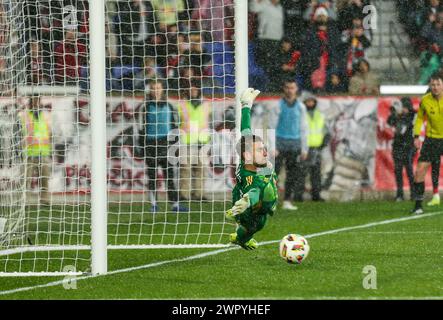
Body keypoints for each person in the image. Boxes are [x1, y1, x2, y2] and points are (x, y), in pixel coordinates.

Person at [225, 88, 278, 250]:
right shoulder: (252, 176)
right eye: (259, 150)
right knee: (254, 227)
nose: (265, 151)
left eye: (264, 147)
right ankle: (241, 238)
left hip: (243, 196)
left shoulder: (250, 161)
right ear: (248, 156)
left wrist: (246, 105)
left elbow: (246, 129)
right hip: (251, 212)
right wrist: (248, 201)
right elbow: (254, 190)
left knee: (268, 184)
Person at [139, 79, 188, 213]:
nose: (156, 91)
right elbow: (140, 128)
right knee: (152, 176)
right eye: (153, 88)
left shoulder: (169, 106)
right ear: (150, 90)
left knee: (170, 176)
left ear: (162, 89)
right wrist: (142, 147)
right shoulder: (145, 107)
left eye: (158, 88)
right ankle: (154, 204)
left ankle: (175, 205)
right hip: (150, 145)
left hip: (167, 145)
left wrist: (176, 145)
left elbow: (175, 126)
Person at [411, 72, 443, 214]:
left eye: (438, 84)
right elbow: (419, 119)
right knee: (420, 171)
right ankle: (418, 206)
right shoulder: (425, 100)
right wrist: (417, 136)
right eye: (433, 84)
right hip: (432, 139)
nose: (435, 87)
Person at [274, 79, 308, 209]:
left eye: (292, 87)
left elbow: (304, 128)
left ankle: (287, 200)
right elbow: (272, 126)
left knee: (291, 174)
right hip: (280, 143)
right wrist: (272, 147)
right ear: (284, 89)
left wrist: (304, 148)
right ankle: (270, 201)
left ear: (296, 89)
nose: (290, 90)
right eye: (287, 87)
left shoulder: (301, 107)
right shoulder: (277, 106)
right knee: (273, 174)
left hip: (295, 144)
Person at [177, 84, 211, 201]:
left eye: (195, 88)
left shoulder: (205, 103)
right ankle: (184, 194)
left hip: (202, 140)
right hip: (187, 140)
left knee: (200, 169)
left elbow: (207, 121)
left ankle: (199, 194)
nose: (193, 91)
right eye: (191, 88)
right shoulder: (182, 103)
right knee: (185, 169)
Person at [19, 93, 52, 204]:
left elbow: (50, 133)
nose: (36, 103)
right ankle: (24, 200)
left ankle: (44, 199)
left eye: (37, 101)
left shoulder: (46, 115)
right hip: (29, 153)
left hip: (43, 152)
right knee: (26, 179)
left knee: (44, 178)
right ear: (30, 102)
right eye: (33, 101)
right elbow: (20, 133)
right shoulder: (24, 116)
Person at [301, 92, 329, 201]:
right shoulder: (301, 115)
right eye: (308, 101)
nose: (310, 103)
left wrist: (323, 143)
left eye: (312, 101)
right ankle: (299, 196)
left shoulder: (320, 115)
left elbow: (326, 131)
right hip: (304, 149)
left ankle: (316, 195)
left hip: (317, 149)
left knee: (316, 174)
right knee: (301, 173)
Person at [387, 97, 416, 202]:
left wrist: (400, 116)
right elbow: (389, 122)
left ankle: (413, 194)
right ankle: (400, 194)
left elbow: (402, 130)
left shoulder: (412, 116)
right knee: (398, 171)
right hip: (398, 146)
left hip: (408, 146)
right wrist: (395, 114)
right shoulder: (398, 116)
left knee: (409, 170)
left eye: (403, 107)